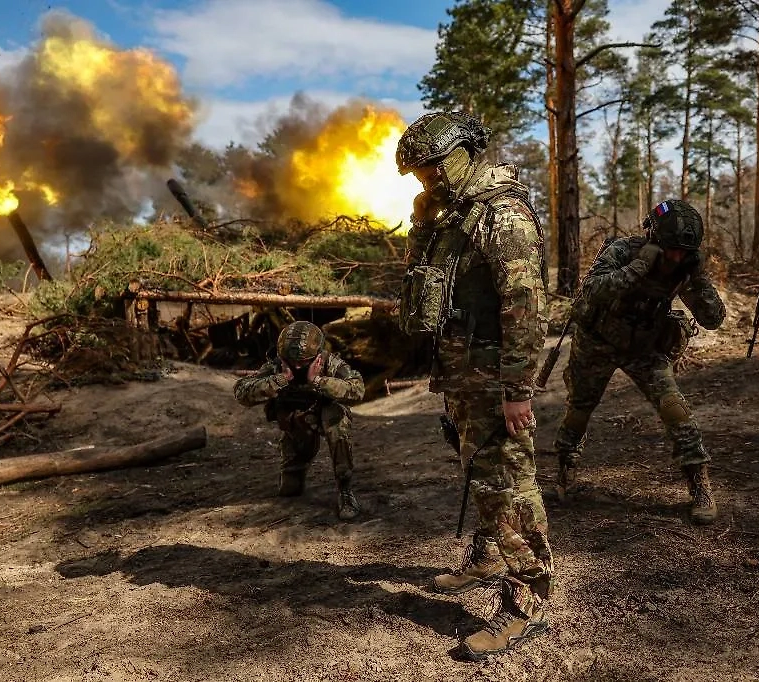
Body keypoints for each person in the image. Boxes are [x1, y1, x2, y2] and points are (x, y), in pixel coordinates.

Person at [396, 111, 552, 661]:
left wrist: (518, 388)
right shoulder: (452, 218)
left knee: (509, 480)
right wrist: (421, 220)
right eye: (420, 175)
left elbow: (526, 308)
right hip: (466, 373)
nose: (427, 180)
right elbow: (422, 286)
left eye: (432, 170)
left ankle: (527, 599)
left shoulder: (501, 216)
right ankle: (489, 558)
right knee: (482, 473)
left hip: (494, 376)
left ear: (462, 155)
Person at [553, 199, 726, 524]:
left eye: (682, 252)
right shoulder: (623, 251)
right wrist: (636, 269)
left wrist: (698, 279)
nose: (675, 257)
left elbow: (714, 318)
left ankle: (699, 482)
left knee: (675, 409)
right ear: (654, 238)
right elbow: (589, 294)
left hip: (643, 347)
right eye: (670, 249)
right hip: (597, 342)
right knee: (579, 408)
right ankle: (564, 469)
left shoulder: (684, 267)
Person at [233, 321, 365, 520]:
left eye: (303, 362)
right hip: (298, 424)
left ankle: (345, 491)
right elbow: (242, 391)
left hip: (325, 416)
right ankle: (297, 466)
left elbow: (357, 389)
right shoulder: (278, 365)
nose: (296, 366)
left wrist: (318, 381)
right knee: (290, 489)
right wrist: (280, 379)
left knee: (337, 420)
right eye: (291, 361)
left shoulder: (330, 363)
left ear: (317, 356)